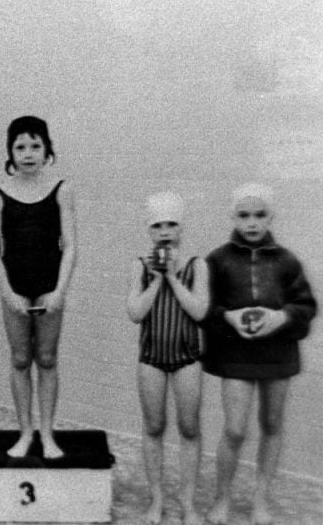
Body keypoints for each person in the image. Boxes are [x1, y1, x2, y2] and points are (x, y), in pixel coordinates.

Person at [204, 183, 316, 525]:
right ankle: (221, 498)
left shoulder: (286, 260)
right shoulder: (217, 260)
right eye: (244, 215)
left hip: (277, 353)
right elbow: (204, 309)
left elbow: (306, 305)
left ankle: (260, 499)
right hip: (235, 353)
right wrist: (229, 317)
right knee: (235, 429)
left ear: (271, 216)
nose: (252, 222)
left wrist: (281, 317)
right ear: (232, 216)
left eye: (260, 214)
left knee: (271, 424)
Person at [0, 116, 76, 459]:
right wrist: (8, 293)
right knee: (21, 358)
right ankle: (25, 432)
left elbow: (70, 245)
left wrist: (60, 290)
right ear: (10, 152)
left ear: (47, 150)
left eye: (35, 146)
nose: (28, 153)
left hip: (50, 285)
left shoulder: (61, 190)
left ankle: (48, 435)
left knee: (48, 359)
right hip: (16, 286)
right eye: (20, 146)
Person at [126, 192, 209, 525]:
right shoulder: (140, 266)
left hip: (187, 357)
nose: (164, 231)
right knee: (154, 426)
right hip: (151, 359)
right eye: (157, 225)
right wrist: (158, 278)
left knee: (189, 428)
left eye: (171, 224)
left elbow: (200, 311)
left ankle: (187, 502)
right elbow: (134, 312)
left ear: (181, 228)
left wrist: (173, 276)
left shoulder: (195, 265)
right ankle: (157, 499)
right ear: (149, 231)